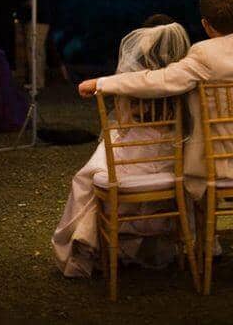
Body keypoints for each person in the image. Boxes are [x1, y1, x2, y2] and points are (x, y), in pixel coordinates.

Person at [79, 0, 233, 200]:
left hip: (217, 166)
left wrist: (101, 83)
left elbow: (158, 81)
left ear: (205, 23)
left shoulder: (204, 55)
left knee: (172, 146)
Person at [52, 21, 191, 278]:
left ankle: (91, 245)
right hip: (173, 163)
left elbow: (125, 125)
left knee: (90, 177)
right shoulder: (183, 84)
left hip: (132, 166)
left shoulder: (127, 86)